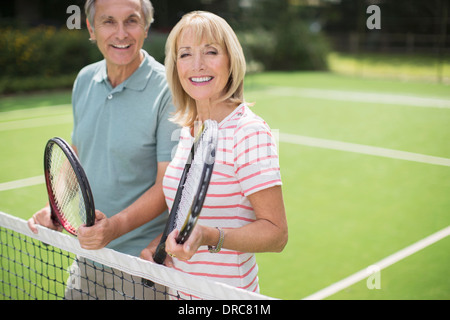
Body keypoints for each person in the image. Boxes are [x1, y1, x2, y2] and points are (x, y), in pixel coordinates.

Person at [27, 0, 179, 299]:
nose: (121, 33)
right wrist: (56, 209)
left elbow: (166, 187)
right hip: (87, 257)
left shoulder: (169, 90)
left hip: (142, 268)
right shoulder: (84, 79)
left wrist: (112, 229)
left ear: (146, 27)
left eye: (131, 21)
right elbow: (78, 153)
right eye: (108, 21)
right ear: (91, 29)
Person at [140, 11, 288, 296]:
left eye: (210, 52)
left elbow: (277, 234)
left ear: (231, 61)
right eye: (185, 54)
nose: (197, 65)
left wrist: (210, 236)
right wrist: (158, 246)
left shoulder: (249, 132)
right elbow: (183, 216)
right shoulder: (188, 130)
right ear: (175, 67)